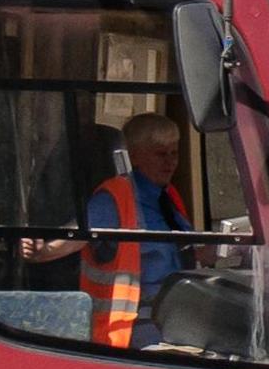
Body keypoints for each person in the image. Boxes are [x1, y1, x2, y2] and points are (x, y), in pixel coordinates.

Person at [82, 111, 198, 348]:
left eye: (174, 153)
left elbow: (181, 251)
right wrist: (45, 247)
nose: (170, 162)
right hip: (133, 325)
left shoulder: (169, 198)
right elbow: (79, 235)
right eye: (160, 154)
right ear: (134, 156)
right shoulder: (112, 198)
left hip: (177, 313)